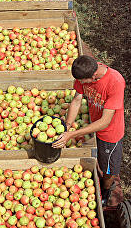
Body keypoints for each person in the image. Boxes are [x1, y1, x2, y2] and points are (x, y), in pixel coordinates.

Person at [52, 55, 125, 205]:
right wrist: (67, 126)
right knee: (98, 157)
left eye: (82, 82)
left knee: (109, 170)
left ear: (93, 76)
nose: (79, 84)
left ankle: (105, 192)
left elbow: (105, 122)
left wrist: (73, 134)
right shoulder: (85, 69)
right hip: (94, 125)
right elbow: (77, 100)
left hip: (109, 133)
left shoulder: (115, 82)